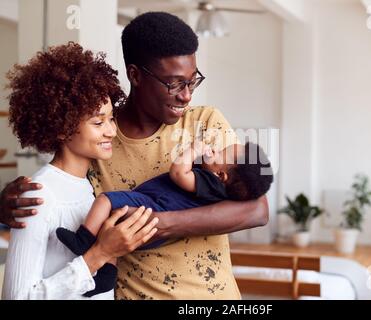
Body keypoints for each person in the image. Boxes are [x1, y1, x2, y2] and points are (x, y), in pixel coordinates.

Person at [0, 12, 269, 300]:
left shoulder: (205, 124)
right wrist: (8, 204)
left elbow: (257, 209)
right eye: (175, 83)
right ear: (136, 75)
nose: (187, 95)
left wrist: (160, 223)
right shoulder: (98, 135)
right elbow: (61, 184)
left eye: (193, 81)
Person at [1, 43, 159, 300]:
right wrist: (99, 254)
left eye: (110, 118)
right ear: (62, 128)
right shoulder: (38, 196)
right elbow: (16, 297)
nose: (110, 131)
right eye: (98, 122)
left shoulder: (90, 185)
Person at [56, 142, 273, 294]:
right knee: (111, 225)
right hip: (153, 221)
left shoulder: (208, 181)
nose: (214, 150)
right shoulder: (220, 189)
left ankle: (83, 239)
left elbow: (178, 173)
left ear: (221, 176)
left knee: (105, 200)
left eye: (220, 153)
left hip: (153, 209)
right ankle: (106, 276)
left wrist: (193, 150)